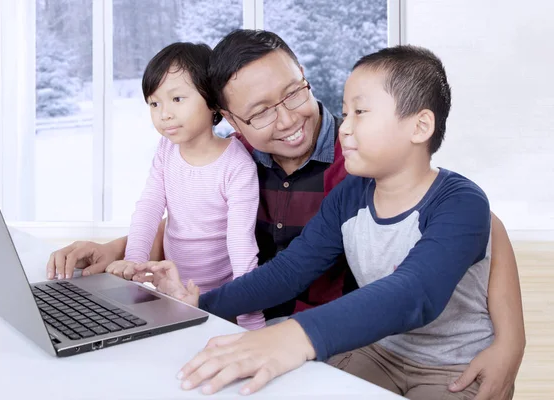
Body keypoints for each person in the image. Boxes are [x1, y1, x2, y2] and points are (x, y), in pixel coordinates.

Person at [46, 30, 525, 397]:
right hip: (346, 341)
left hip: (370, 339)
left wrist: (511, 340)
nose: (291, 118)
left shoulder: (365, 169)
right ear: (232, 122)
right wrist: (172, 289)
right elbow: (277, 265)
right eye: (259, 112)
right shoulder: (241, 161)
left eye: (296, 93)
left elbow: (449, 258)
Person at [46, 42, 265, 330]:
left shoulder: (237, 165)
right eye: (154, 103)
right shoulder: (167, 150)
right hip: (167, 291)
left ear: (212, 100)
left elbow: (242, 247)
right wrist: (134, 263)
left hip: (217, 301)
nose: (164, 114)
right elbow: (149, 207)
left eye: (177, 99)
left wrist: (251, 322)